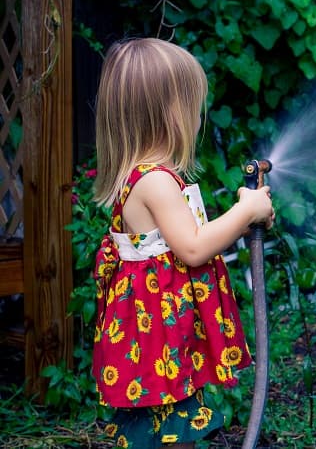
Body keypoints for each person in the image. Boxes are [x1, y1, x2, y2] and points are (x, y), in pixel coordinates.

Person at [91, 38, 274, 449]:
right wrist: (245, 211)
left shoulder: (148, 176)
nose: (197, 116)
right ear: (167, 112)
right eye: (191, 104)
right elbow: (193, 248)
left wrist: (243, 217)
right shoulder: (155, 181)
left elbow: (183, 245)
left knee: (169, 426)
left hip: (160, 337)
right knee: (172, 428)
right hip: (159, 343)